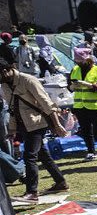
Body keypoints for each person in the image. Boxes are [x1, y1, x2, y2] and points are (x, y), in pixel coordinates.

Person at [0, 60, 68, 204]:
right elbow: (11, 110)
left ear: (7, 70)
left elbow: (46, 103)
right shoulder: (5, 86)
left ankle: (32, 192)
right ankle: (60, 182)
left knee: (29, 155)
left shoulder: (28, 80)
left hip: (37, 122)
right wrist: (12, 129)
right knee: (43, 155)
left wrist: (57, 125)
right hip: (23, 125)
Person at [69, 47, 97, 161]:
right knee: (85, 131)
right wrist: (72, 87)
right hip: (80, 106)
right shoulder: (75, 69)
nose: (78, 62)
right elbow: (69, 85)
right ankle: (91, 151)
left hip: (95, 105)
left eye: (80, 60)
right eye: (76, 60)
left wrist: (88, 85)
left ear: (87, 59)